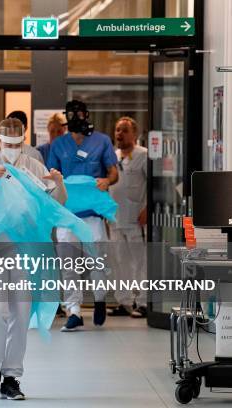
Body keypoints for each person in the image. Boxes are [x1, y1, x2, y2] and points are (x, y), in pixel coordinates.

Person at [0, 118, 67, 400]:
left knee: (20, 313)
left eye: (17, 145)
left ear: (24, 141)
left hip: (26, 249)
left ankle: (11, 377)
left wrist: (58, 182)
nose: (12, 149)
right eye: (8, 144)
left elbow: (58, 202)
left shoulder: (32, 164)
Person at [47, 100, 119, 331]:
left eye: (78, 113)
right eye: (71, 113)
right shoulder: (59, 145)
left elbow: (113, 172)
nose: (75, 116)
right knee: (68, 265)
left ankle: (99, 299)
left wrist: (107, 181)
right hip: (67, 214)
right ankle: (74, 311)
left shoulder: (102, 141)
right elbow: (51, 175)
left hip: (93, 215)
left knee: (97, 261)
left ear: (86, 114)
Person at [107, 117, 148, 318]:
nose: (119, 134)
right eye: (117, 130)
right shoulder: (112, 157)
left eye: (124, 130)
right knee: (119, 261)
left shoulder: (144, 155)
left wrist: (147, 208)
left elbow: (154, 185)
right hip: (115, 218)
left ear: (135, 134)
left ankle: (142, 302)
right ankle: (123, 302)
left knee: (139, 261)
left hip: (136, 218)